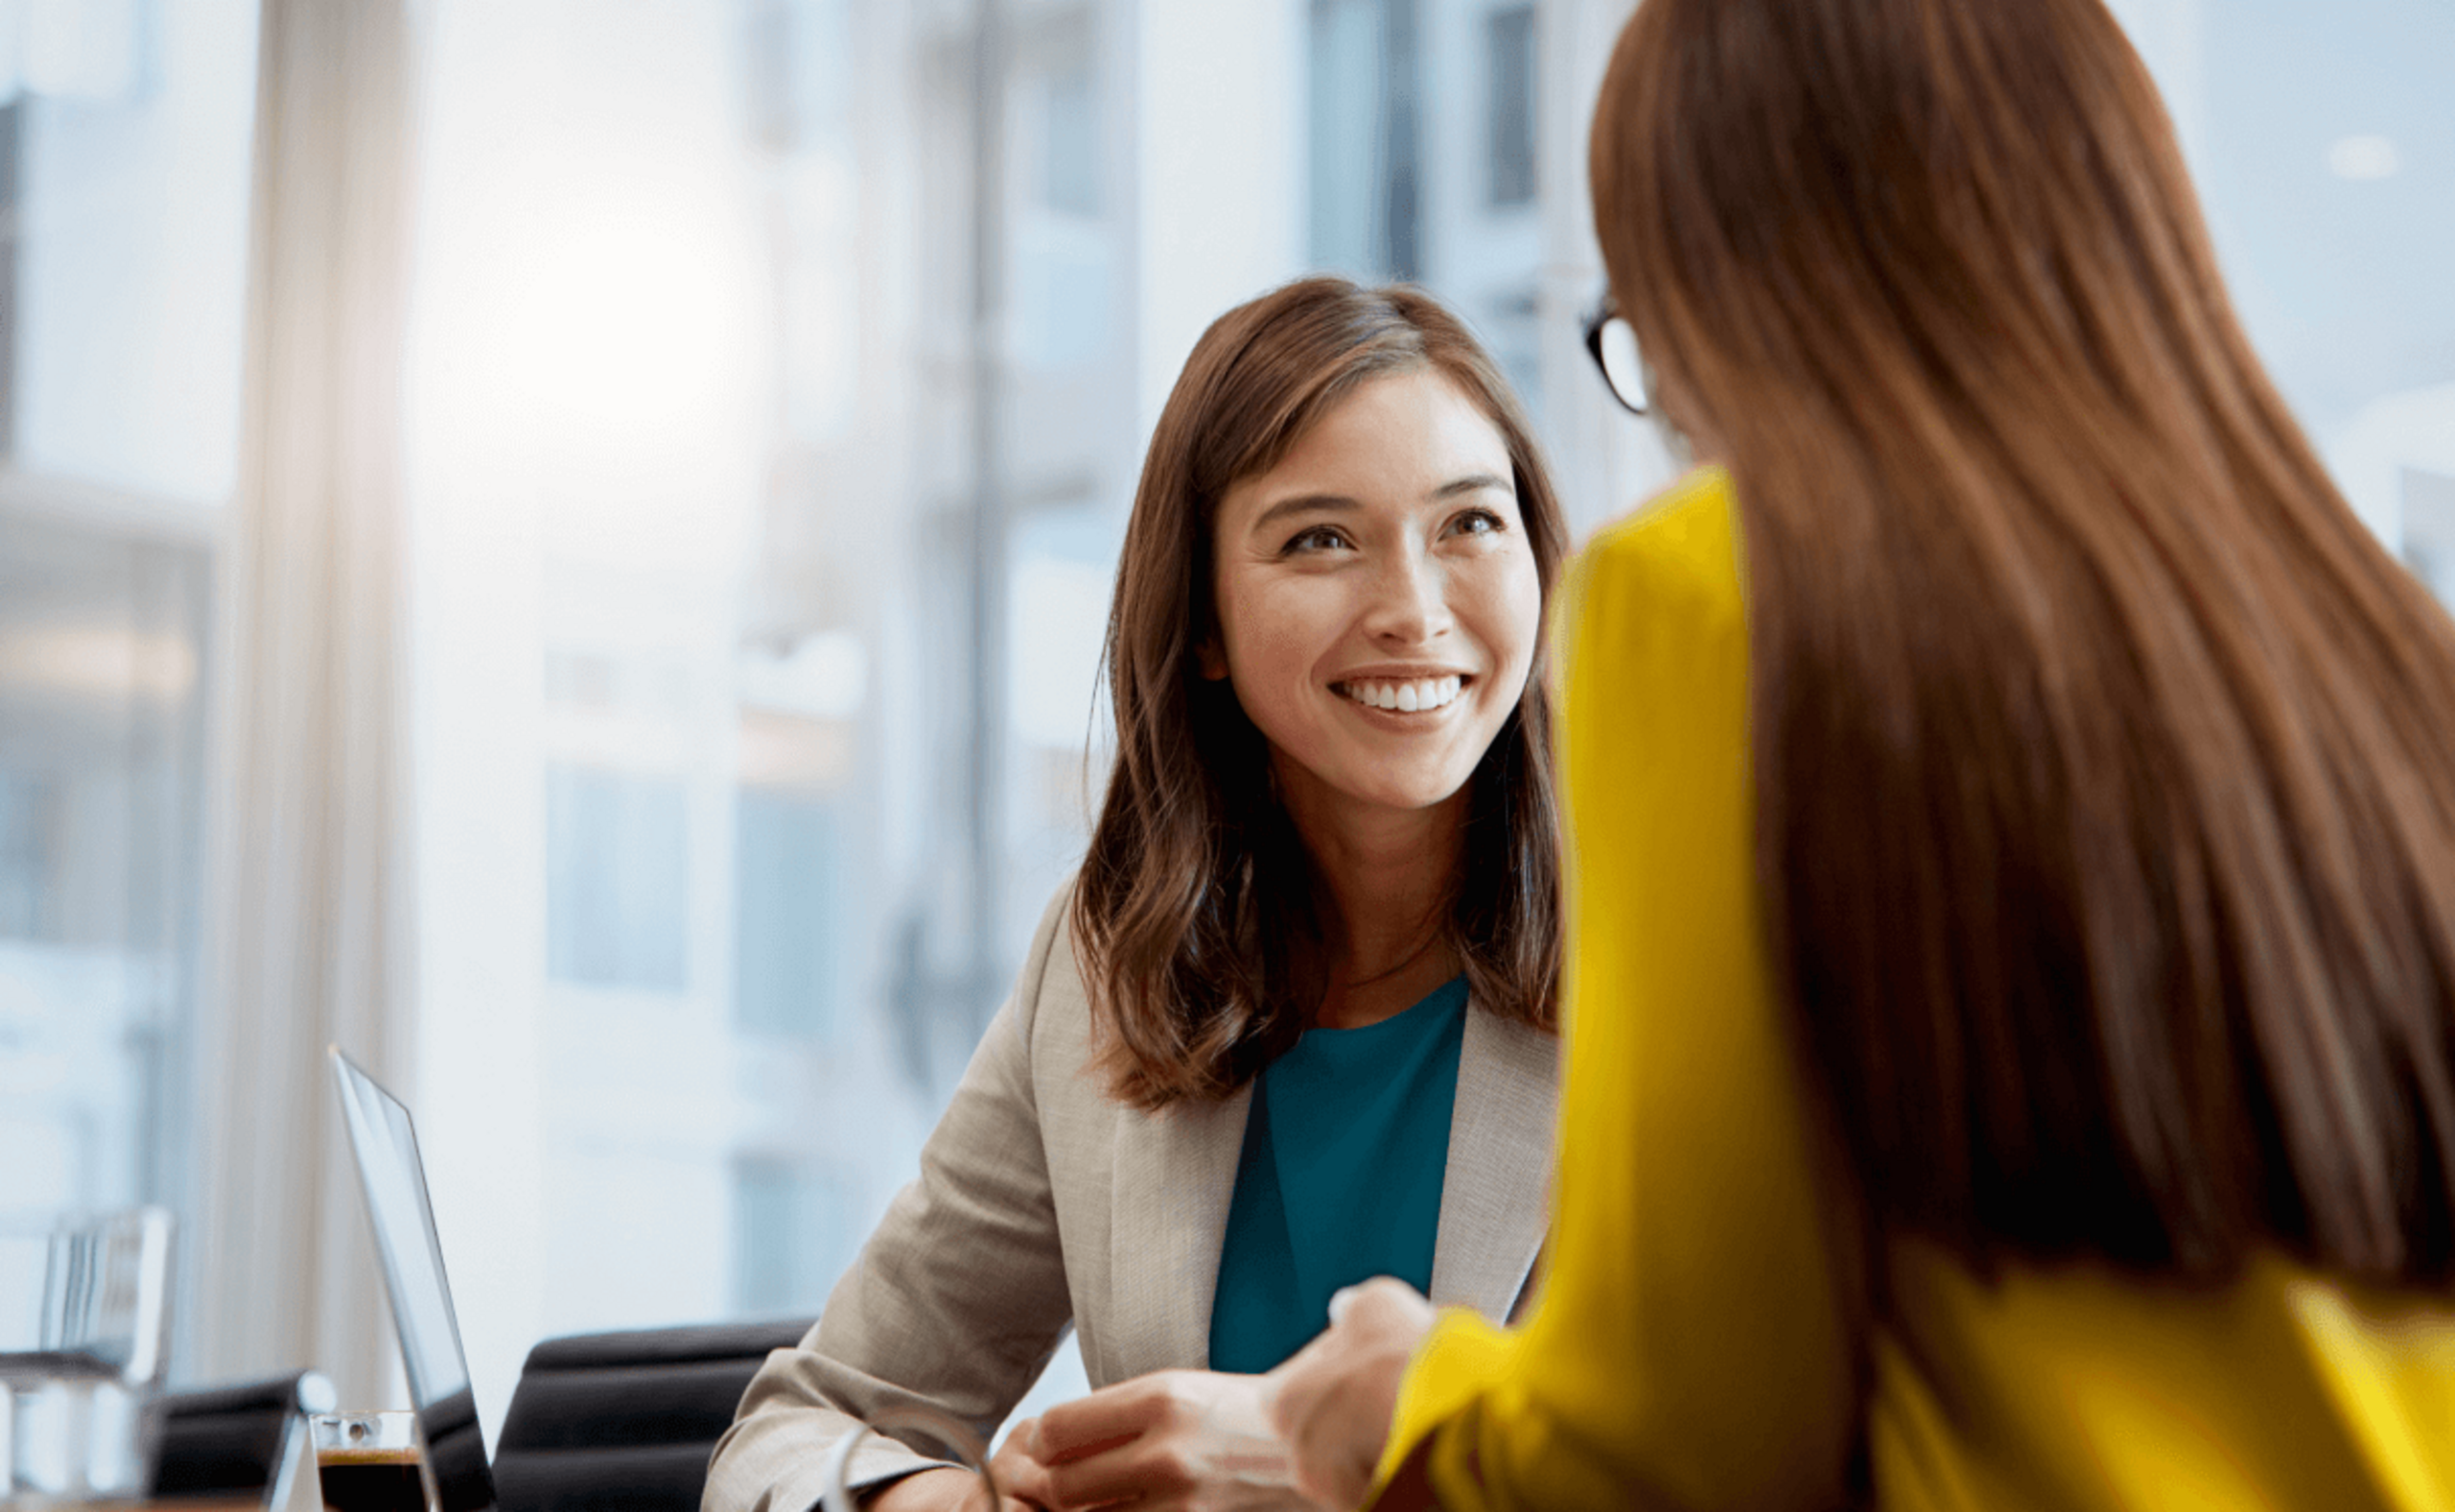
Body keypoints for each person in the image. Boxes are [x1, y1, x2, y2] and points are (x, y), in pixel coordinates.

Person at [1270, 0, 2455, 1507]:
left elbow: (1678, 1445)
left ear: (1724, 286)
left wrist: (1404, 1401)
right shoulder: (2386, 653)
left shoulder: (1714, 594)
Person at [701, 276, 1570, 1512]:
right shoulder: (1104, 965)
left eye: (1469, 524)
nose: (1413, 612)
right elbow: (800, 1430)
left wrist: (1313, 1463)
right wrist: (933, 1509)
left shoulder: (1680, 943)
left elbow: (1774, 1460)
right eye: (1320, 538)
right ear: (1203, 624)